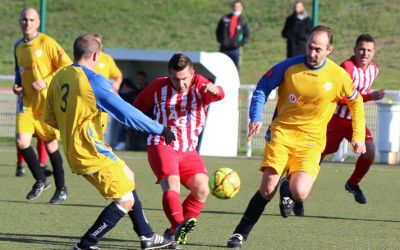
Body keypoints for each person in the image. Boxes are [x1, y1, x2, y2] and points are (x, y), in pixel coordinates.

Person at [226, 25, 367, 249]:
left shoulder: (338, 76)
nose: (312, 53)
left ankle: (288, 188)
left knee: (300, 193)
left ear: (329, 49)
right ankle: (239, 234)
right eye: (310, 47)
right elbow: (263, 86)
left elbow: (356, 101)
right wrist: (255, 116)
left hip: (311, 142)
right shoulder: (289, 66)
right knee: (267, 188)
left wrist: (358, 136)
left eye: (318, 49)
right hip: (282, 134)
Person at [45, 34, 174, 250]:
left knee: (127, 176)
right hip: (90, 151)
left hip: (75, 148)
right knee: (125, 200)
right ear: (96, 55)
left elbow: (49, 117)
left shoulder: (60, 76)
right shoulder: (93, 81)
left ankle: (146, 235)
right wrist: (159, 128)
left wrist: (75, 128)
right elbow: (126, 113)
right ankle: (86, 244)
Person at [133, 53, 225, 245]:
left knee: (201, 188)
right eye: (175, 79)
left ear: (192, 73)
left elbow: (218, 94)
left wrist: (215, 90)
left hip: (188, 150)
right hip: (161, 144)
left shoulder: (200, 84)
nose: (180, 84)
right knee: (172, 183)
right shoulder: (159, 86)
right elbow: (136, 107)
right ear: (169, 76)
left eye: (184, 79)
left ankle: (171, 233)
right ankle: (177, 225)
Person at [13, 7, 71, 204]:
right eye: (24, 20)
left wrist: (45, 81)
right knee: (22, 142)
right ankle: (40, 179)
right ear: (19, 22)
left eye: (31, 20)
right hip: (27, 105)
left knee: (51, 145)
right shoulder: (18, 46)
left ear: (37, 23)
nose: (27, 23)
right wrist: (18, 86)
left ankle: (61, 188)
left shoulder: (47, 42)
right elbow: (18, 72)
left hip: (47, 105)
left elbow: (67, 66)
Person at [322, 34, 384, 204]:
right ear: (355, 50)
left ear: (374, 52)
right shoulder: (347, 67)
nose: (365, 53)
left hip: (356, 121)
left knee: (369, 151)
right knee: (317, 155)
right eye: (362, 49)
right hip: (336, 119)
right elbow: (342, 98)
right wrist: (371, 96)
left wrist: (368, 97)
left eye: (369, 50)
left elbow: (357, 98)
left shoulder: (374, 69)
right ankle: (295, 192)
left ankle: (352, 184)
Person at [92, 33, 123, 136]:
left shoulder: (106, 59)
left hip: (102, 97)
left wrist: (116, 85)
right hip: (88, 95)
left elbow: (117, 75)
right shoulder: (86, 57)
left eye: (98, 43)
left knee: (102, 125)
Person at [216, 0, 250, 71]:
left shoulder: (243, 21)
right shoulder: (224, 19)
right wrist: (222, 41)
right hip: (224, 49)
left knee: (235, 69)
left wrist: (238, 44)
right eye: (234, 6)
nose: (236, 8)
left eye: (238, 6)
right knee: (221, 68)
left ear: (241, 8)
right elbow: (218, 31)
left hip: (235, 50)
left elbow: (247, 35)